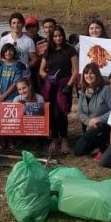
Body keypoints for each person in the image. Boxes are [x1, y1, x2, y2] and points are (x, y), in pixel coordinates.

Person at [39, 25, 79, 155]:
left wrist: (69, 85)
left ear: (63, 35)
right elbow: (41, 70)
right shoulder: (48, 51)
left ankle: (65, 139)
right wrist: (47, 76)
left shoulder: (70, 50)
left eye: (60, 35)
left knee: (61, 113)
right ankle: (55, 139)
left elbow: (75, 70)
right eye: (55, 36)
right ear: (52, 37)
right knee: (51, 113)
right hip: (51, 86)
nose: (58, 38)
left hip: (64, 85)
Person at [73, 63, 111, 158]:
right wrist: (89, 122)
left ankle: (105, 146)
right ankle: (97, 144)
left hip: (105, 125)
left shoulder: (106, 89)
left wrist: (99, 119)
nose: (88, 76)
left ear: (97, 74)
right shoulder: (83, 91)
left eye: (92, 73)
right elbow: (80, 112)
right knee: (78, 152)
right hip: (91, 126)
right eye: (86, 73)